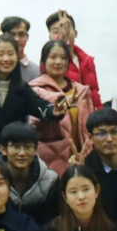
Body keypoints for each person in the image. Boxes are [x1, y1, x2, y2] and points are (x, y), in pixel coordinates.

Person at [0, 35, 63, 165]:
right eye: (0, 54)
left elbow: (40, 106)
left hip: (13, 159)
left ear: (17, 57)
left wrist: (54, 111)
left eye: (11, 54)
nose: (6, 58)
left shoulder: (22, 89)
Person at [29, 39, 94, 175]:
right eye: (53, 57)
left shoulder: (81, 91)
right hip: (49, 161)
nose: (58, 62)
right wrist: (61, 102)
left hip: (81, 159)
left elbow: (90, 127)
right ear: (43, 61)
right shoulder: (35, 90)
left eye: (63, 58)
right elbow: (33, 126)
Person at [0, 121, 58, 222]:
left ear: (35, 149)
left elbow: (52, 220)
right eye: (16, 147)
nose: (22, 153)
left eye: (28, 147)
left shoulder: (50, 179)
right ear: (3, 149)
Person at [46, 10, 102, 109]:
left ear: (75, 33)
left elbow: (95, 94)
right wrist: (62, 41)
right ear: (50, 36)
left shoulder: (88, 61)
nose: (62, 32)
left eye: (67, 28)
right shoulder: (48, 62)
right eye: (56, 31)